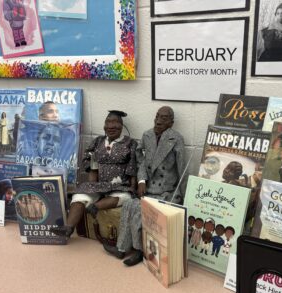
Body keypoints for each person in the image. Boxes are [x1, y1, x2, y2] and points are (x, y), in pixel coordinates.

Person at [103, 106, 185, 266]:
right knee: (128, 205)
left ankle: (140, 252)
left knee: (140, 212)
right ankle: (121, 249)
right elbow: (140, 161)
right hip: (148, 189)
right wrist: (141, 181)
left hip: (166, 192)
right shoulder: (147, 135)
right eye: (157, 116)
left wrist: (182, 197)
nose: (159, 121)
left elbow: (182, 170)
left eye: (164, 118)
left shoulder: (176, 139)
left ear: (171, 123)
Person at [51, 110, 137, 238]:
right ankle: (68, 228)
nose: (111, 126)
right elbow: (92, 165)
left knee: (125, 197)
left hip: (120, 185)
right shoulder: (98, 142)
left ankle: (95, 207)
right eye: (108, 122)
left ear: (122, 126)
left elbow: (133, 166)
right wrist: (92, 186)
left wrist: (133, 187)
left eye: (115, 122)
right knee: (80, 196)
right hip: (99, 183)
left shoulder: (130, 143)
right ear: (104, 126)